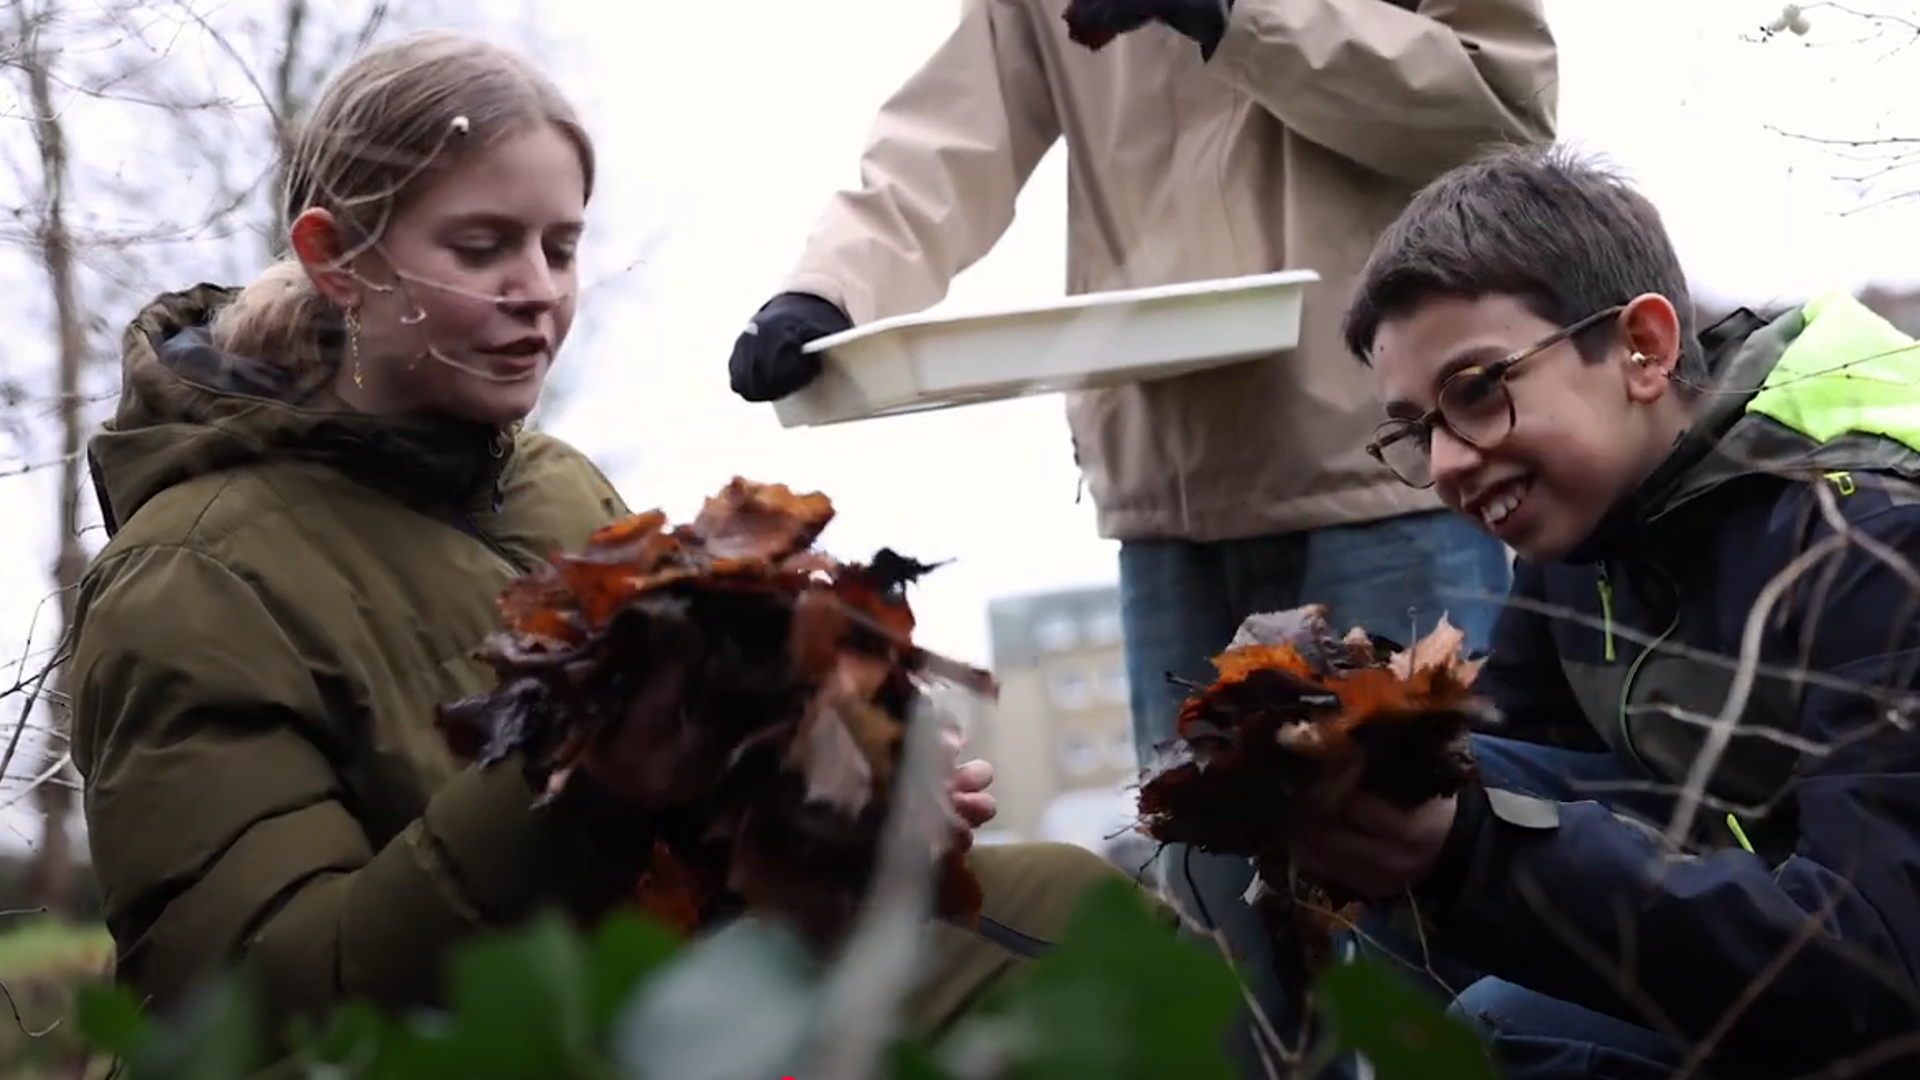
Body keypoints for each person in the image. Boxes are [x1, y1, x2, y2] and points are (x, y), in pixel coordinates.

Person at [67, 30, 1142, 1056]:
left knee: (1085, 913)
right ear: (335, 257)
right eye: (482, 247)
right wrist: (587, 791)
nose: (536, 288)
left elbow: (690, 821)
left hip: (662, 986)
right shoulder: (191, 578)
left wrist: (832, 796)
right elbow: (248, 1005)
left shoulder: (556, 486)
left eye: (561, 247)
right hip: (478, 1050)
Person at [726, 1, 1557, 1068]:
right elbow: (945, 136)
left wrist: (1238, 15)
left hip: (1381, 470)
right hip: (1169, 490)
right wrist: (827, 288)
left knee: (1426, 911)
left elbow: (1496, 105)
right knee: (1215, 946)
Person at [1305, 143, 1920, 1079]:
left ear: (1643, 348)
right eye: (1417, 428)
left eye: (1477, 391)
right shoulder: (1590, 530)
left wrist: (1472, 849)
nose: (1447, 464)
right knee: (1404, 795)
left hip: (1876, 985)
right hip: (1803, 963)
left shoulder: (1873, 538)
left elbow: (1880, 966)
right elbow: (1519, 760)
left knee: (1490, 1017)